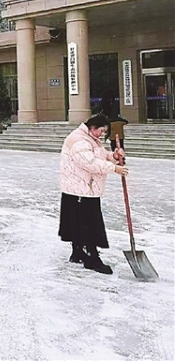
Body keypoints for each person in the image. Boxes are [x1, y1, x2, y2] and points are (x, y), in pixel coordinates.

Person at [58, 114, 128, 275]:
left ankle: (78, 253)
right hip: (80, 189)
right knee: (88, 224)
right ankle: (91, 258)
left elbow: (100, 156)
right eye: (102, 131)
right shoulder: (79, 140)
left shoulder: (89, 138)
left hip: (81, 189)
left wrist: (114, 157)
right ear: (93, 127)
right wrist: (114, 168)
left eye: (105, 131)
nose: (103, 134)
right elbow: (89, 163)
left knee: (79, 222)